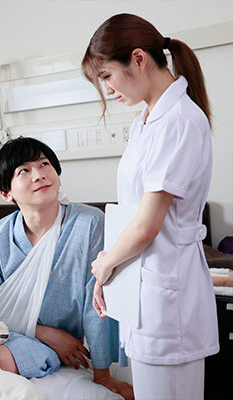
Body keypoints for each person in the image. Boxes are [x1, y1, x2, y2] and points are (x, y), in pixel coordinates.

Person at [0, 136, 133, 399]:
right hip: (3, 328)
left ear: (57, 175)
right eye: (24, 170)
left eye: (44, 164)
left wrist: (102, 374)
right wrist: (47, 334)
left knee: (3, 358)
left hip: (30, 342)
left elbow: (97, 301)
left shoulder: (89, 224)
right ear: (6, 193)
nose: (39, 175)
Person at [82, 13, 219, 400]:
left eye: (107, 75)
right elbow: (134, 213)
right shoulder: (146, 121)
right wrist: (109, 268)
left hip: (168, 301)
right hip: (145, 291)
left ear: (139, 59)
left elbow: (147, 226)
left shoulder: (178, 121)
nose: (107, 89)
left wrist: (105, 265)